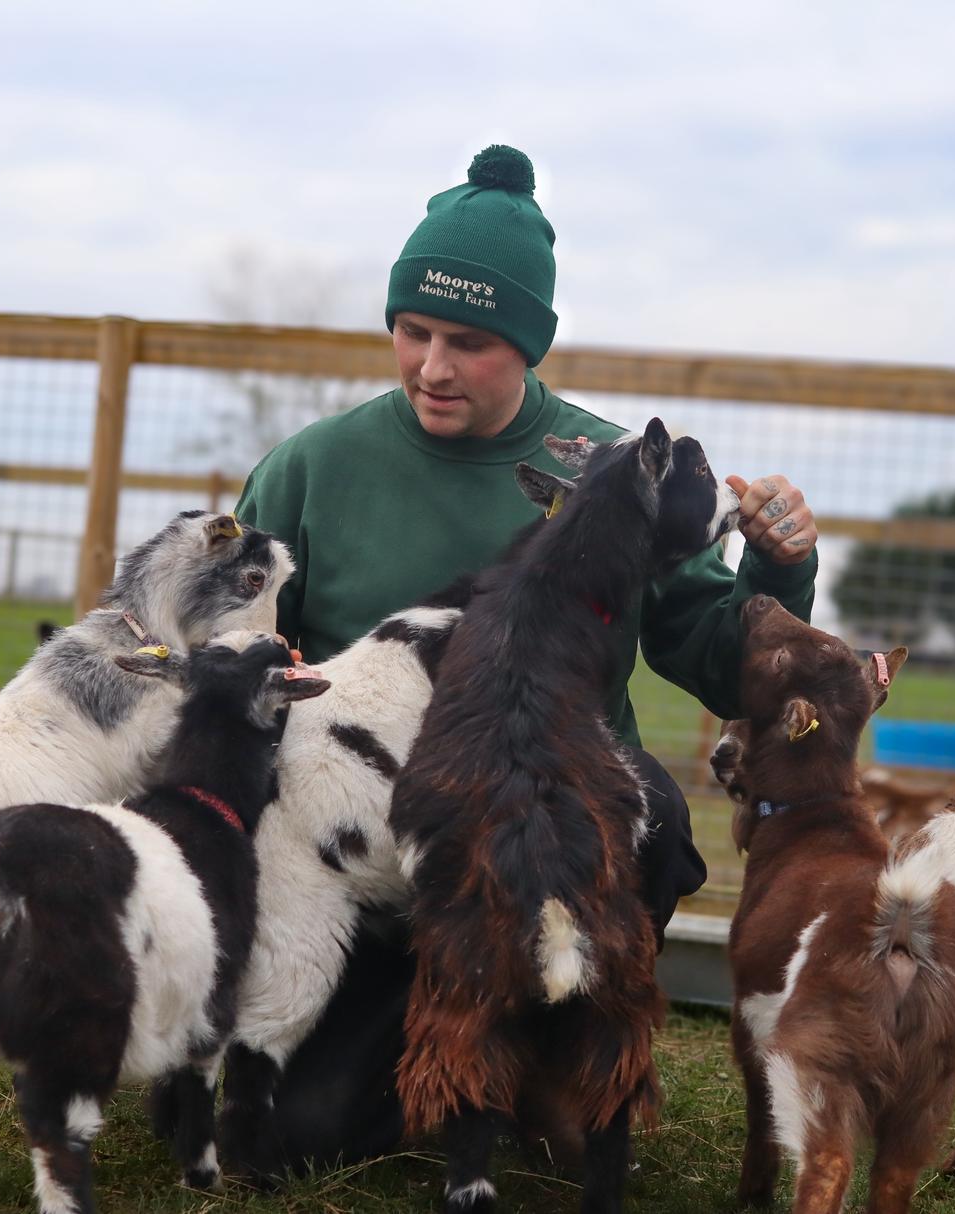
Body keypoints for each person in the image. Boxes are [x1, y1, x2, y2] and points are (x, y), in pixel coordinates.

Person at [230, 144, 819, 1167]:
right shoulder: (311, 470)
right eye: (412, 331)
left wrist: (779, 572)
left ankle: (559, 1044)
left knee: (652, 807)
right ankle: (431, 1048)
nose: (433, 366)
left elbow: (727, 666)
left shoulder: (613, 473)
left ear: (531, 344)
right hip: (375, 867)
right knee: (304, 1134)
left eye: (470, 342)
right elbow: (228, 667)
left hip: (558, 839)